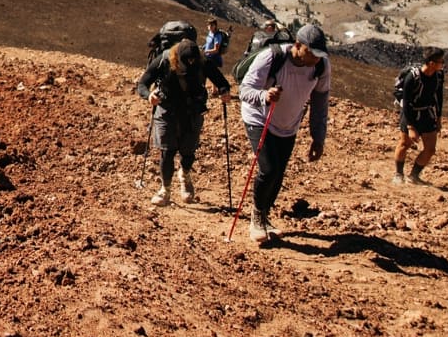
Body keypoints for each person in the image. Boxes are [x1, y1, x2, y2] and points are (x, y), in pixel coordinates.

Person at [237, 23, 331, 245]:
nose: (316, 58)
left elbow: (320, 103)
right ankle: (256, 217)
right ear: (298, 45)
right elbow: (244, 90)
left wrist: (318, 137)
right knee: (268, 169)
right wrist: (264, 96)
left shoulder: (322, 66)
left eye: (320, 54)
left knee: (279, 172)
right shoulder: (271, 58)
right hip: (259, 117)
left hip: (288, 123)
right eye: (312, 52)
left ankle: (265, 215)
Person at [136, 36, 231, 206]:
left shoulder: (203, 61)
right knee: (167, 150)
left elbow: (221, 81)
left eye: (193, 61)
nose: (190, 64)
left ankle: (184, 174)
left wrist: (224, 92)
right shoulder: (164, 60)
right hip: (167, 110)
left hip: (192, 111)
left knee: (188, 151)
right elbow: (143, 83)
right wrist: (148, 95)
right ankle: (165, 189)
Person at [391, 47, 446, 185]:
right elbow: (406, 102)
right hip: (411, 113)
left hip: (427, 113)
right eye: (441, 61)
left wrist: (438, 118)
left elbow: (439, 97)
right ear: (432, 63)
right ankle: (398, 174)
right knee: (405, 144)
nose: (443, 64)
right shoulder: (413, 77)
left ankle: (414, 176)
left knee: (430, 148)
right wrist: (410, 127)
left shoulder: (438, 76)